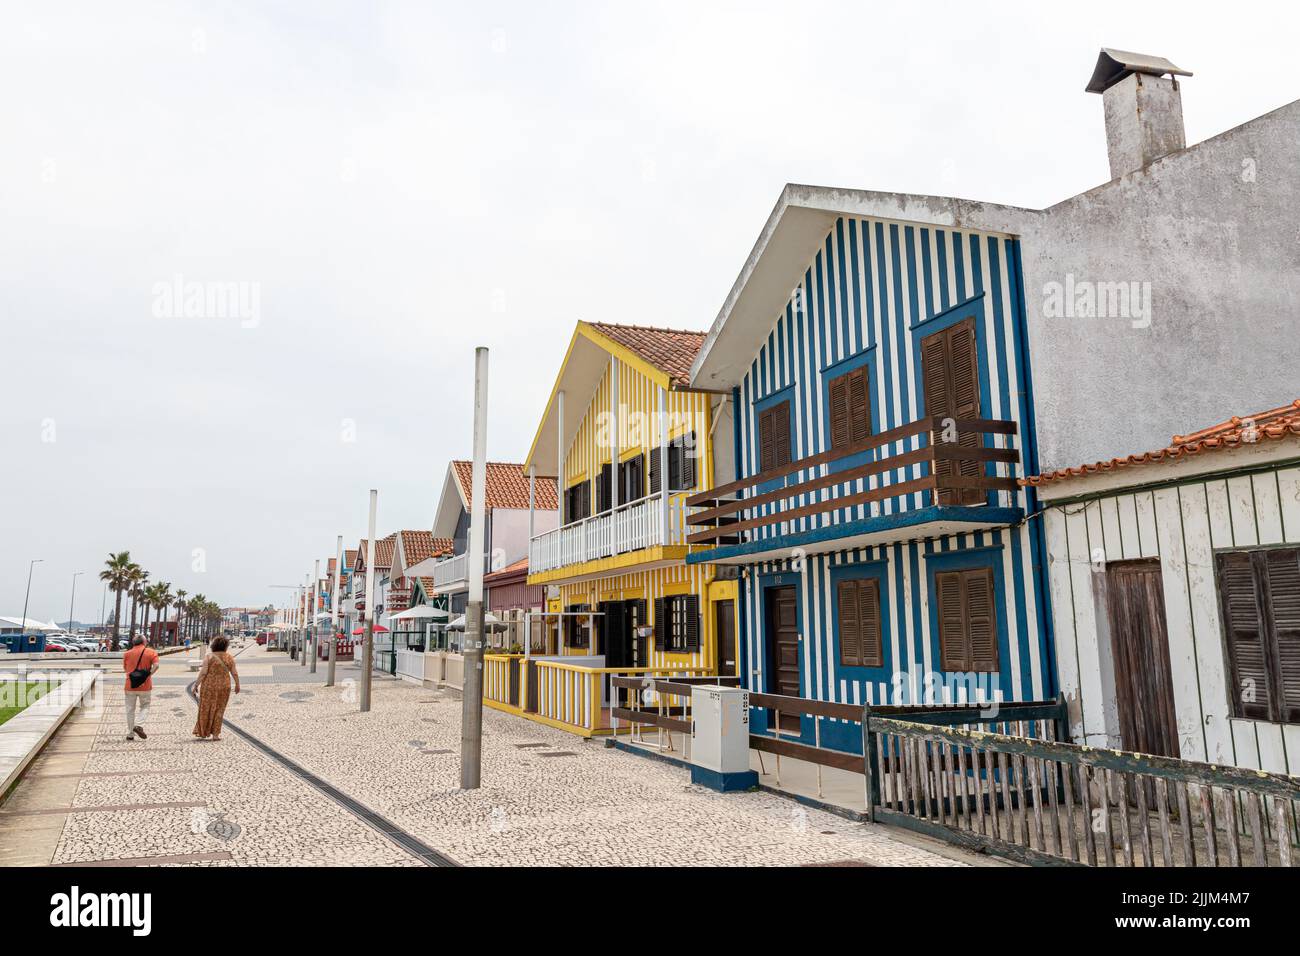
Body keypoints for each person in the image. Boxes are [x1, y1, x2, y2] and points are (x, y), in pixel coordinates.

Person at [193, 635, 240, 741]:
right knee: (220, 709)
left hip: (208, 687)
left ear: (214, 645)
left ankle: (203, 731)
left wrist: (196, 685)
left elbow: (203, 672)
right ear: (225, 646)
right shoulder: (229, 657)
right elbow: (234, 673)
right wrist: (237, 685)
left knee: (205, 708)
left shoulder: (209, 657)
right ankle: (215, 734)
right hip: (224, 687)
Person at [122, 635, 159, 741]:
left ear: (134, 643)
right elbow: (156, 666)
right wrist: (148, 675)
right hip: (145, 686)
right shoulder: (151, 652)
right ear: (144, 642)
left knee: (130, 710)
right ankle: (138, 725)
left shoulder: (127, 654)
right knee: (145, 706)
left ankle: (130, 734)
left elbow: (125, 668)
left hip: (130, 685)